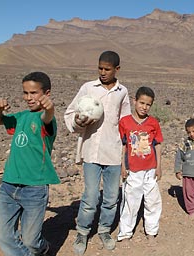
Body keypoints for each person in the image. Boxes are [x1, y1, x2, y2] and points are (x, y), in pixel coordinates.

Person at [64, 50, 131, 254]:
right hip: (91, 152)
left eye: (107, 69)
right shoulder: (88, 88)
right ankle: (82, 232)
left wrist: (128, 154)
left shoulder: (122, 92)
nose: (102, 72)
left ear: (117, 69)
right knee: (91, 197)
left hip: (113, 152)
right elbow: (70, 113)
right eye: (100, 68)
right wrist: (77, 121)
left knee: (111, 197)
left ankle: (104, 230)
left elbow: (126, 121)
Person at [0, 71, 60, 256]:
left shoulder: (47, 119)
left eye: (34, 93)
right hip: (8, 185)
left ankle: (43, 247)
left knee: (30, 242)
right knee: (4, 237)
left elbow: (48, 116)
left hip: (34, 189)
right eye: (25, 93)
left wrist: (50, 108)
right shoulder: (21, 116)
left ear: (47, 93)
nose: (28, 98)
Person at [117, 86, 163, 248]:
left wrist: (159, 166)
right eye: (141, 102)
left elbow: (157, 145)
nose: (144, 107)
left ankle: (151, 231)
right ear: (134, 101)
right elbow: (123, 146)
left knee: (153, 201)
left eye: (148, 104)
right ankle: (125, 233)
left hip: (150, 168)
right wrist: (122, 166)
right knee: (131, 201)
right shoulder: (125, 122)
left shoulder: (153, 123)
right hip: (133, 170)